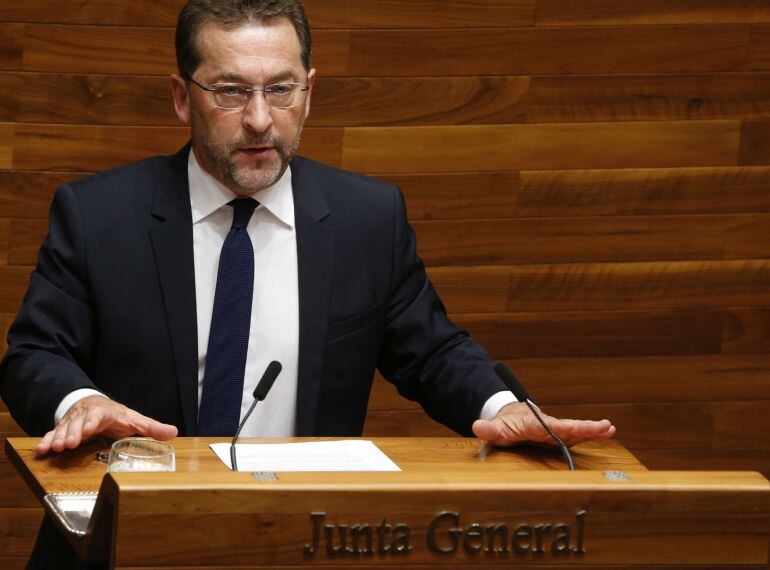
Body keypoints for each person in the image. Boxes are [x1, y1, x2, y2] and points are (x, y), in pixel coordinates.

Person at [1, 1, 614, 566]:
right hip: (124, 543)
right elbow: (32, 355)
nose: (260, 119)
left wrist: (503, 408)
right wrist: (78, 403)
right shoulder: (99, 216)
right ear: (182, 98)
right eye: (231, 92)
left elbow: (432, 350)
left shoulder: (367, 219)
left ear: (310, 91)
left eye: (281, 90)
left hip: (300, 541)